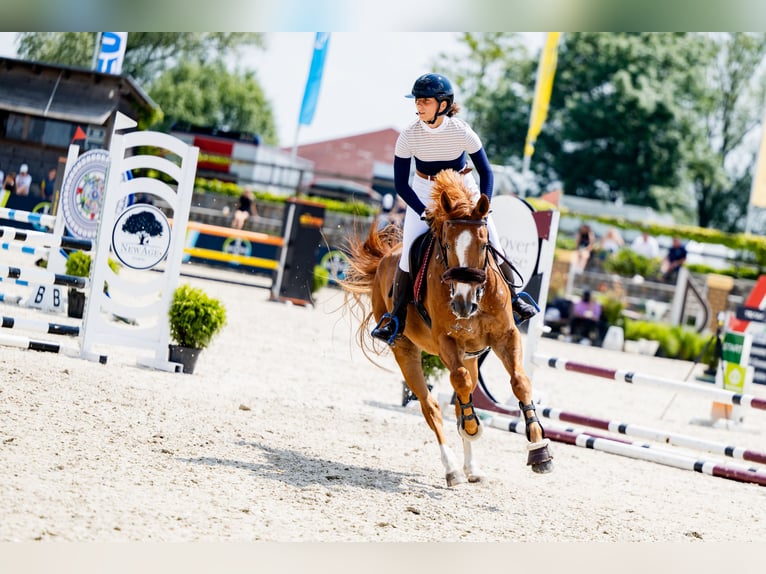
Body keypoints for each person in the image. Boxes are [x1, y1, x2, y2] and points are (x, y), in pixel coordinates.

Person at [371, 73, 538, 345]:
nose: (419, 105)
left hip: (463, 187)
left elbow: (485, 171)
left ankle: (516, 300)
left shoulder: (460, 130)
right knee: (407, 254)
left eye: (425, 100)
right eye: (418, 100)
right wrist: (422, 209)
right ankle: (396, 317)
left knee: (493, 241)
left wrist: (482, 204)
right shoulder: (408, 136)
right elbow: (401, 184)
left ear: (443, 105)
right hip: (424, 191)